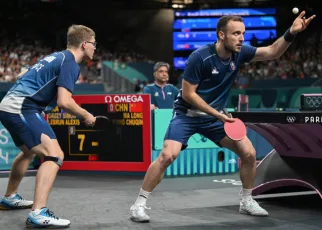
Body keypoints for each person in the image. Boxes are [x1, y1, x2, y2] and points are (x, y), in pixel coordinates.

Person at [130, 11, 316, 222]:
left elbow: (273, 52)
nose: (242, 38)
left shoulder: (240, 53)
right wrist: (216, 113)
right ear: (221, 35)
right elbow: (189, 94)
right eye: (236, 34)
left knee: (249, 153)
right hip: (187, 115)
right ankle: (139, 204)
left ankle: (246, 200)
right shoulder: (199, 57)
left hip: (215, 118)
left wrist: (291, 32)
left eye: (243, 33)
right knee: (166, 156)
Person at [0, 24, 97, 228]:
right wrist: (86, 115)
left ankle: (9, 197)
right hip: (23, 107)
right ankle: (38, 213)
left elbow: (26, 80)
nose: (95, 48)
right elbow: (65, 102)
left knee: (28, 151)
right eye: (94, 44)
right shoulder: (70, 63)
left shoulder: (55, 56)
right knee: (54, 155)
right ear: (84, 44)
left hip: (11, 105)